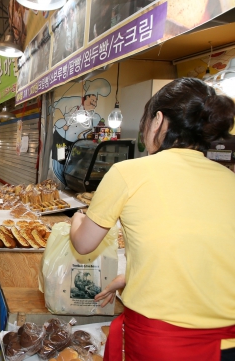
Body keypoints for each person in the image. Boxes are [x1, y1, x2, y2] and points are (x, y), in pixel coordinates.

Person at [70, 78, 235, 361]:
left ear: (158, 120)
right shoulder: (229, 178)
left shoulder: (127, 173)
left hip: (165, 343)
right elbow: (204, 251)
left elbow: (84, 244)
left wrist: (76, 218)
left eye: (146, 120)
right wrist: (131, 276)